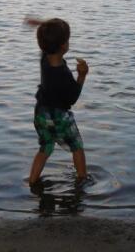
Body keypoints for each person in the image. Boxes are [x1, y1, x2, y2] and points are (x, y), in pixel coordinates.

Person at [26, 18, 89, 185]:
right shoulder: (62, 74)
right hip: (59, 115)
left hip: (41, 113)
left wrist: (41, 25)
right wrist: (82, 76)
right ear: (63, 46)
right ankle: (82, 180)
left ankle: (32, 181)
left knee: (45, 148)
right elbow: (72, 98)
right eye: (67, 39)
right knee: (77, 147)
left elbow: (49, 38)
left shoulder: (44, 58)